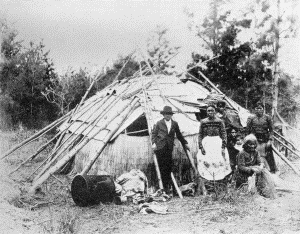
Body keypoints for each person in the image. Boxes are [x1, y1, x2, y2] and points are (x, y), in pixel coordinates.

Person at [151, 106, 190, 193]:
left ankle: (167, 187)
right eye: (166, 114)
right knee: (161, 166)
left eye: (169, 114)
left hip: (169, 147)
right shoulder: (158, 123)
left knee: (168, 167)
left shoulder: (174, 124)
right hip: (160, 147)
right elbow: (154, 134)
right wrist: (154, 143)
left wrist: (185, 143)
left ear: (171, 115)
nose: (168, 116)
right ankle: (160, 187)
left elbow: (179, 135)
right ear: (163, 115)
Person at [197, 103, 232, 181]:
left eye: (212, 111)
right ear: (206, 112)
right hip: (207, 143)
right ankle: (209, 180)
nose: (210, 112)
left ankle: (219, 180)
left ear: (215, 111)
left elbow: (223, 133)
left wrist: (223, 146)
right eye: (208, 111)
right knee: (207, 161)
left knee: (218, 161)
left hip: (217, 143)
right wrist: (201, 146)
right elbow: (200, 134)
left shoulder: (220, 121)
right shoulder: (203, 121)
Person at [246, 101, 278, 173]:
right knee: (253, 153)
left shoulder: (267, 117)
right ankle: (253, 169)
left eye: (260, 108)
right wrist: (248, 139)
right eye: (257, 108)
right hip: (255, 139)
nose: (259, 110)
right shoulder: (251, 118)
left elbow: (271, 130)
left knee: (268, 152)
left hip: (265, 139)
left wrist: (270, 140)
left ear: (263, 109)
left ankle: (272, 170)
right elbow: (247, 130)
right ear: (254, 109)